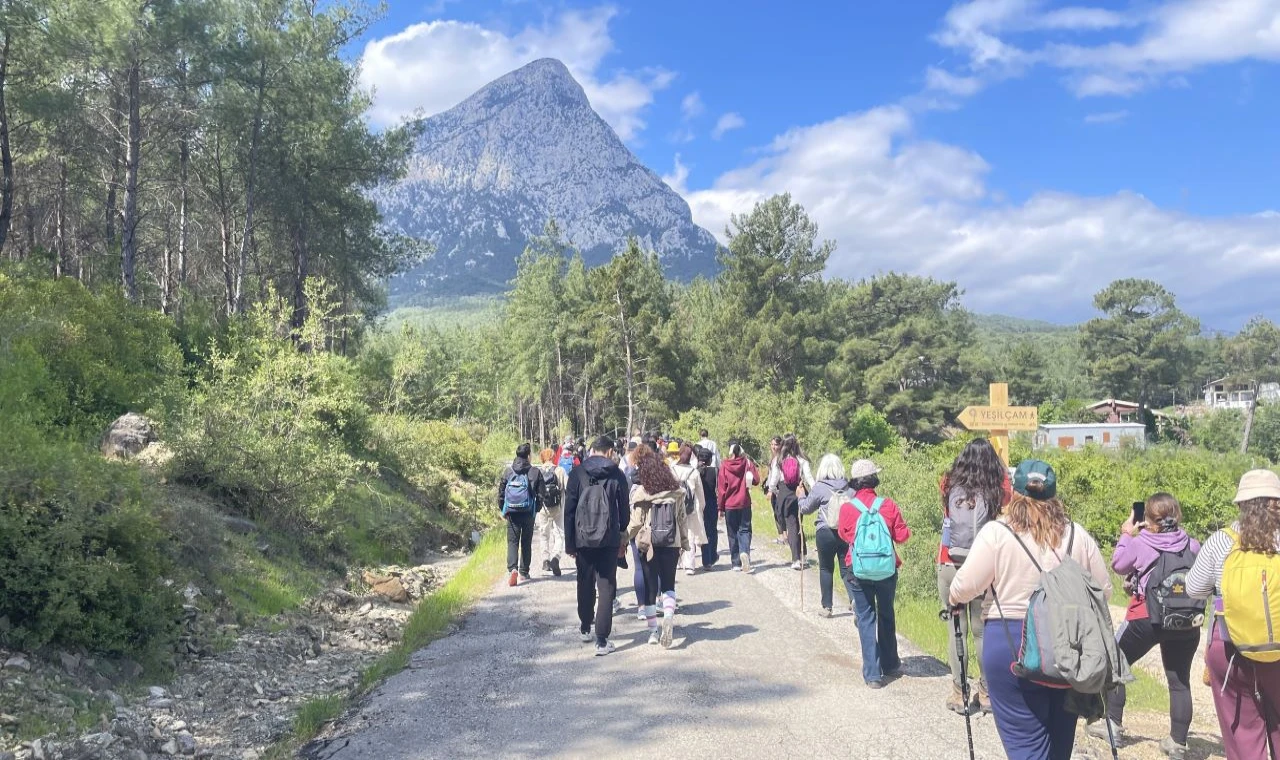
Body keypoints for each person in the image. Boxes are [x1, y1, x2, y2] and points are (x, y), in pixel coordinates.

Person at [949, 459, 1111, 760]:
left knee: (1026, 749)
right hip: (1067, 646)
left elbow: (963, 586)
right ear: (1054, 495)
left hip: (1011, 643)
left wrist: (955, 599)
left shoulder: (997, 533)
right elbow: (1104, 591)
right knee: (1059, 747)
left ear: (1014, 493)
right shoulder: (1077, 536)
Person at [1086, 493, 1200, 758]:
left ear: (1147, 518)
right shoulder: (1191, 544)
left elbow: (1118, 564)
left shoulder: (1141, 542)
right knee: (1179, 680)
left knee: (1115, 662)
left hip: (1146, 618)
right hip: (1184, 621)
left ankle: (1112, 724)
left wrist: (1127, 533)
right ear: (1177, 515)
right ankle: (1178, 743)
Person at [1186, 469, 1280, 760]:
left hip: (1228, 648)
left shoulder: (1220, 541)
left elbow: (1193, 589)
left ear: (1240, 504)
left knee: (1242, 736)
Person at [937, 438, 1011, 715]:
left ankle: (959, 692)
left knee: (956, 629)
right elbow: (1009, 494)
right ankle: (987, 693)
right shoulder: (996, 487)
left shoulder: (947, 483)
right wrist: (999, 467)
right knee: (982, 632)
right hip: (984, 565)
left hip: (948, 562)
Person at [837, 458, 910, 688]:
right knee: (886, 613)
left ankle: (872, 674)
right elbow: (902, 536)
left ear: (855, 483)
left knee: (866, 616)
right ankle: (890, 664)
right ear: (874, 479)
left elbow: (844, 535)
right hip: (886, 570)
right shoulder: (887, 505)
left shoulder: (848, 508)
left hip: (858, 569)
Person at [563, 436, 631, 656]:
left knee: (584, 582)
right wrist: (622, 534)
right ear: (610, 451)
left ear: (592, 450)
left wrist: (570, 543)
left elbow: (569, 511)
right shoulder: (617, 475)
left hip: (583, 539)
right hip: (609, 539)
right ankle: (602, 640)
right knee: (606, 586)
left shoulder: (578, 473)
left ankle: (585, 627)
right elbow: (625, 511)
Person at [627, 445, 689, 648]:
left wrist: (622, 539)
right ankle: (668, 616)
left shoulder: (643, 493)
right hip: (671, 543)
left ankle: (653, 631)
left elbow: (636, 523)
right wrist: (685, 541)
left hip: (649, 544)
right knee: (669, 584)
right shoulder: (676, 492)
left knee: (650, 587)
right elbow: (681, 519)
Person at [800, 453, 856, 617]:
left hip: (825, 532)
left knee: (826, 568)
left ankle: (827, 607)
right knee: (846, 569)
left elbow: (805, 509)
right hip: (845, 533)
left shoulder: (819, 487)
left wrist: (801, 496)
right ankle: (853, 599)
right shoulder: (849, 488)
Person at [497, 444, 545, 586]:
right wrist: (536, 509)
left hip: (512, 512)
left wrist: (503, 510)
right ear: (529, 455)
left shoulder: (508, 471)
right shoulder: (535, 471)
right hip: (528, 512)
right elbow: (542, 494)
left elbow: (501, 493)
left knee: (512, 541)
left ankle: (513, 569)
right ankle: (524, 572)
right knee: (526, 542)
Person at [768, 435, 815, 570]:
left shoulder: (780, 459)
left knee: (791, 526)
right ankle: (804, 556)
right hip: (799, 492)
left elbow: (774, 479)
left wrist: (771, 490)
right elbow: (809, 477)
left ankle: (795, 559)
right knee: (799, 525)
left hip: (785, 493)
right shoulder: (801, 459)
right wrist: (815, 489)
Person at [717, 441, 759, 573]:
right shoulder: (747, 463)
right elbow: (756, 480)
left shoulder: (724, 465)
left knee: (732, 532)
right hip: (744, 503)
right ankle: (744, 552)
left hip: (730, 504)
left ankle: (735, 563)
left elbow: (722, 488)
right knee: (745, 530)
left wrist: (720, 508)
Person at [670, 443, 709, 575]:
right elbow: (700, 494)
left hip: (675, 506)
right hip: (690, 507)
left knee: (676, 534)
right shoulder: (694, 472)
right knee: (690, 535)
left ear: (680, 454)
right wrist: (701, 508)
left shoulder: (672, 469)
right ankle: (690, 566)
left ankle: (677, 562)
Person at [534, 448, 568, 577]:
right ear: (554, 457)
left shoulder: (538, 471)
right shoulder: (560, 470)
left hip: (543, 508)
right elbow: (568, 486)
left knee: (544, 534)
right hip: (558, 507)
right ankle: (556, 557)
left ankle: (545, 560)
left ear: (542, 458)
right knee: (559, 534)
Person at [696, 446, 720, 568]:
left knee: (702, 531)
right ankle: (712, 556)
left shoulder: (696, 472)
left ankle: (705, 560)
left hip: (699, 504)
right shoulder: (715, 471)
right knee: (712, 531)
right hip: (711, 503)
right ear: (710, 459)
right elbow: (718, 489)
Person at [764, 436, 785, 543]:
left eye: (775, 444)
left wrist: (771, 490)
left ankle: (783, 536)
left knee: (779, 512)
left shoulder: (779, 457)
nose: (773, 446)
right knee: (777, 512)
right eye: (772, 444)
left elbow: (776, 476)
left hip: (777, 489)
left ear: (780, 445)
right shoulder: (773, 457)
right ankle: (781, 535)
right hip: (773, 488)